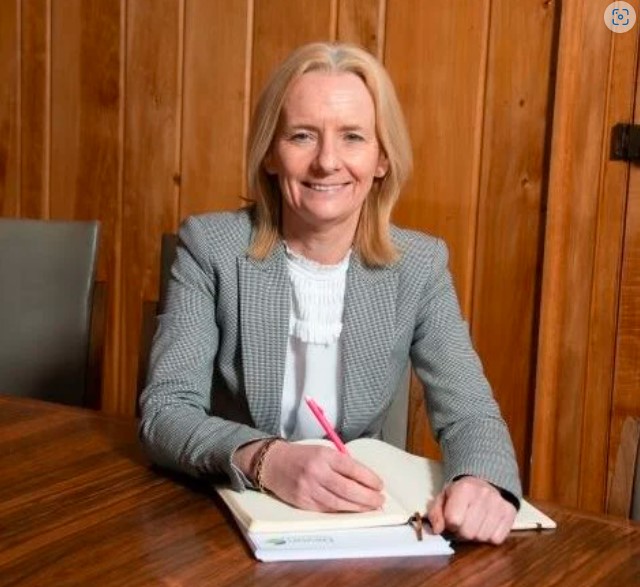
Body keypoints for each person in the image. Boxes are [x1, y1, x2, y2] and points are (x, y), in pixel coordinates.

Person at [139, 41, 522, 545]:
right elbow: (166, 411)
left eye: (353, 137)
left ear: (382, 158)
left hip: (362, 524)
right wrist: (267, 459)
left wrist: (480, 481)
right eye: (302, 136)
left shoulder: (421, 265)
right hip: (221, 521)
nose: (327, 162)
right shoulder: (210, 247)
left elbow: (470, 411)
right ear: (271, 154)